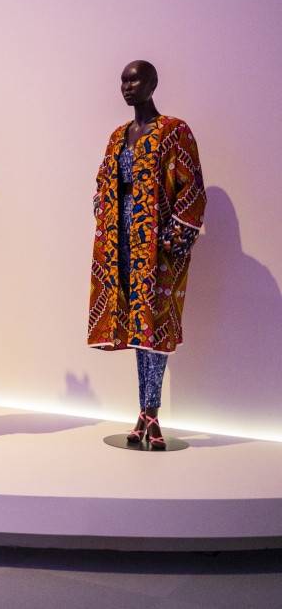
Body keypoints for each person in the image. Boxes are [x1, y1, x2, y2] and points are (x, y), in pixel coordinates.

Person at [88, 60, 206, 449]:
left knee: (155, 329)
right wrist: (104, 214)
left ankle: (150, 415)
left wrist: (172, 241)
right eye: (123, 80)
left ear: (153, 83)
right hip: (120, 245)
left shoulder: (174, 131)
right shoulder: (118, 136)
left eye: (135, 79)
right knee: (138, 329)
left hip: (157, 249)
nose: (127, 86)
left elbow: (193, 191)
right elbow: (103, 181)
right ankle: (144, 413)